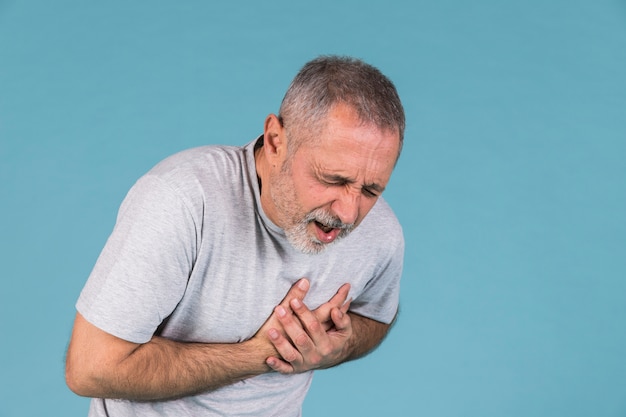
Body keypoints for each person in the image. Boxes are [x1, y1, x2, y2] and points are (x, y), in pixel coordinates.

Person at [65, 55, 406, 416]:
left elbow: (375, 317)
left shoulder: (381, 231)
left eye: (371, 190)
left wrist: (343, 344)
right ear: (276, 141)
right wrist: (262, 353)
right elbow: (91, 369)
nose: (348, 214)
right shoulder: (182, 200)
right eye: (332, 180)